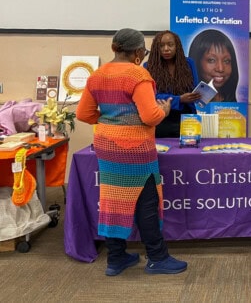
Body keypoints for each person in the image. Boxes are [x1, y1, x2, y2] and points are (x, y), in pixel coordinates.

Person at [76, 28, 187, 276]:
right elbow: (150, 116)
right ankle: (157, 257)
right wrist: (165, 110)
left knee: (112, 200)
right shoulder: (138, 75)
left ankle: (116, 258)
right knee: (146, 202)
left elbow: (83, 114)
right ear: (138, 52)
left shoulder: (97, 75)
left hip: (106, 147)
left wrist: (110, 121)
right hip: (136, 149)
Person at [145, 30, 201, 138]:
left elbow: (194, 88)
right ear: (157, 48)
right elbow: (151, 96)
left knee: (189, 152)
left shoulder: (189, 64)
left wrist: (198, 95)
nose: (166, 49)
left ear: (177, 46)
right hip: (161, 119)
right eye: (161, 46)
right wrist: (179, 99)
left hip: (187, 119)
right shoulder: (148, 67)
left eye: (170, 45)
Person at [188, 29, 239, 102]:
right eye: (211, 60)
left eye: (226, 61)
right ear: (197, 62)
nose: (220, 68)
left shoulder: (232, 103)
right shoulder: (185, 100)